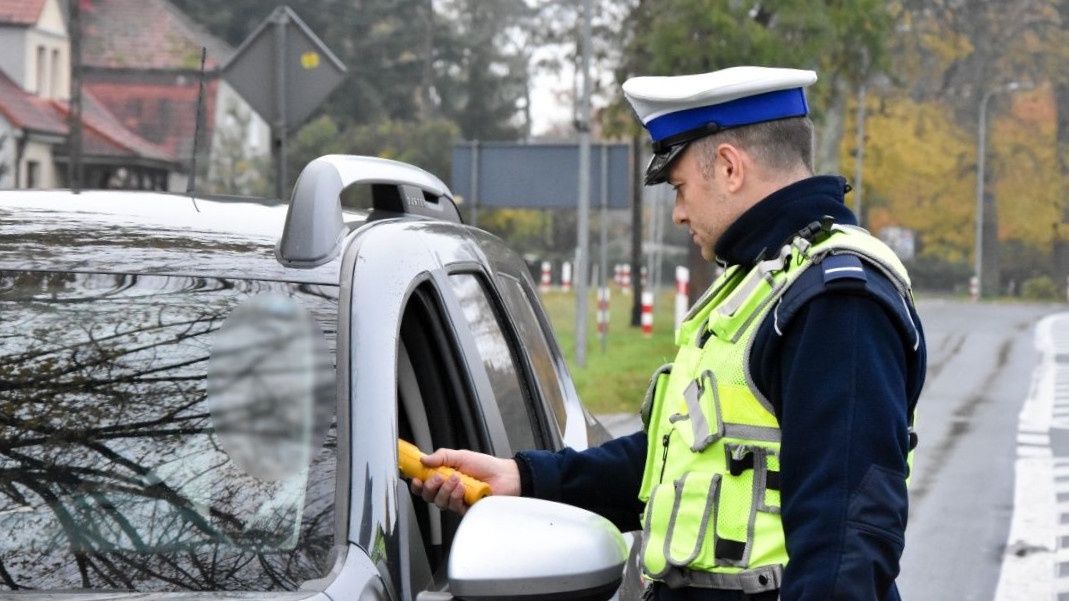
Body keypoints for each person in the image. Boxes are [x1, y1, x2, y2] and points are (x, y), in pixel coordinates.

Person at [412, 66, 926, 601]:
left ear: (729, 167)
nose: (678, 213)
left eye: (679, 188)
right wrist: (526, 481)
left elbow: (845, 543)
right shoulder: (760, 284)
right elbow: (681, 461)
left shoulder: (836, 302)